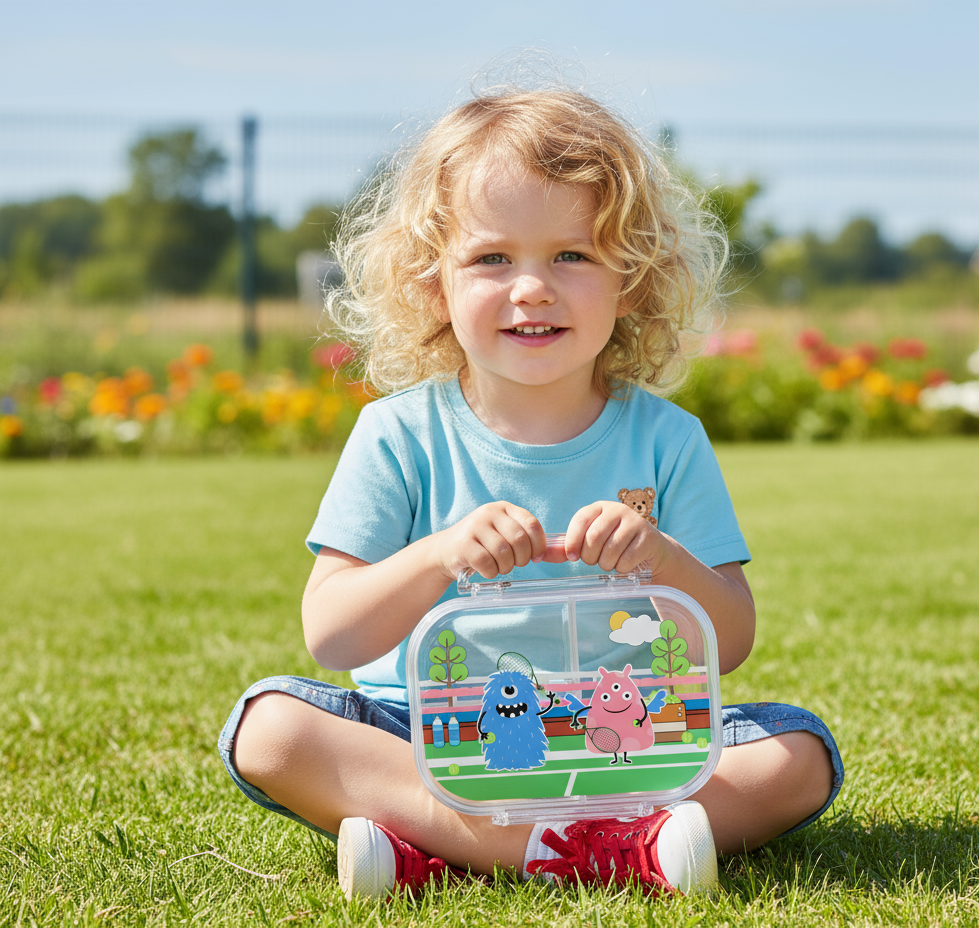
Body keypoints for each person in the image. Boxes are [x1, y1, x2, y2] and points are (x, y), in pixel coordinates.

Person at [218, 84, 843, 900]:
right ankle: (611, 851)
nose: (532, 288)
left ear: (632, 277)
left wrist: (662, 560)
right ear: (432, 281)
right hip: (430, 732)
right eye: (492, 258)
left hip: (625, 735)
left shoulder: (665, 439)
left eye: (572, 255)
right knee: (269, 728)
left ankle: (439, 846)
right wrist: (441, 554)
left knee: (796, 753)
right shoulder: (399, 435)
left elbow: (727, 642)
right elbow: (332, 634)